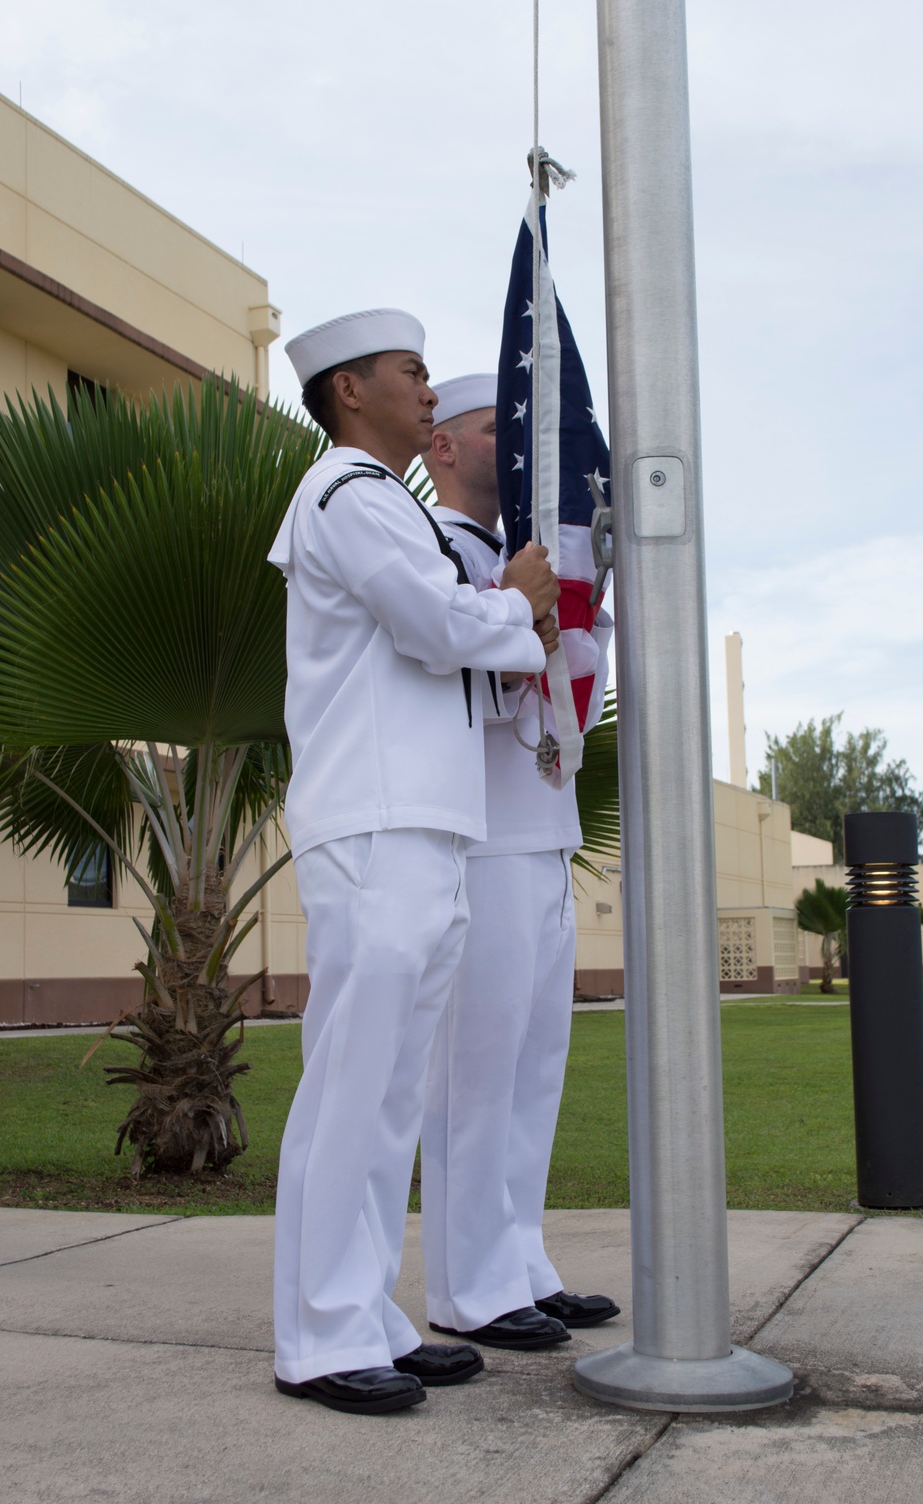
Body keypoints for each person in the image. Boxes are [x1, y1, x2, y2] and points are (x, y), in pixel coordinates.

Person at [267, 313, 561, 1416]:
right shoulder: (346, 495)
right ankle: (319, 1336)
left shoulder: (387, 505)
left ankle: (368, 1313)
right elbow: (439, 626)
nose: (428, 392)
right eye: (410, 373)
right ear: (349, 391)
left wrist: (510, 621)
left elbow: (459, 652)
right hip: (375, 816)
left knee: (390, 1090)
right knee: (355, 1083)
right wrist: (517, 603)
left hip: (425, 819)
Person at [419, 374, 620, 1351]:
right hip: (478, 834)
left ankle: (519, 1259)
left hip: (538, 828)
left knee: (533, 1064)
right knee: (476, 1070)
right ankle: (468, 1285)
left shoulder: (511, 557)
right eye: (494, 430)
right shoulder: (434, 550)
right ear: (441, 449)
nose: (518, 446)